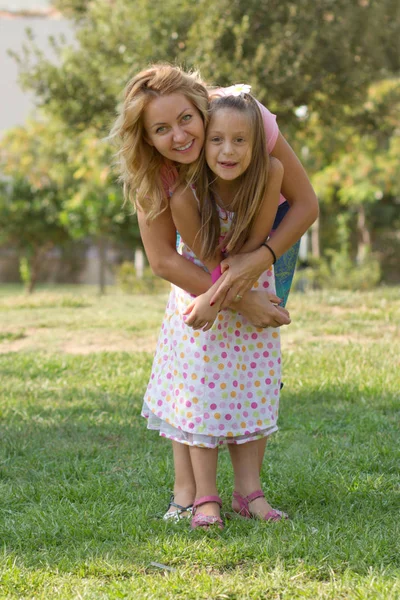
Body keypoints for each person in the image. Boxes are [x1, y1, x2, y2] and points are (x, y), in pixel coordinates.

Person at [111, 64, 318, 521]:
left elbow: (305, 203)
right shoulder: (162, 172)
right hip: (202, 264)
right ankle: (190, 492)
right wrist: (235, 295)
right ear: (146, 137)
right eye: (161, 129)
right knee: (198, 370)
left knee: (247, 364)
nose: (180, 136)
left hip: (267, 241)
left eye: (187, 120)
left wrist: (257, 261)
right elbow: (165, 259)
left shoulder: (244, 121)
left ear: (203, 109)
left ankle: (245, 491)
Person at [143, 92, 289, 528]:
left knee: (251, 394)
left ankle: (252, 494)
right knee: (201, 400)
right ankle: (205, 497)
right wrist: (212, 299)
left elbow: (247, 249)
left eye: (240, 141)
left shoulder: (271, 174)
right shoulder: (186, 193)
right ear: (205, 145)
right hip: (203, 294)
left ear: (255, 144)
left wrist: (225, 292)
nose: (228, 151)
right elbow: (209, 259)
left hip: (244, 284)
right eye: (218, 140)